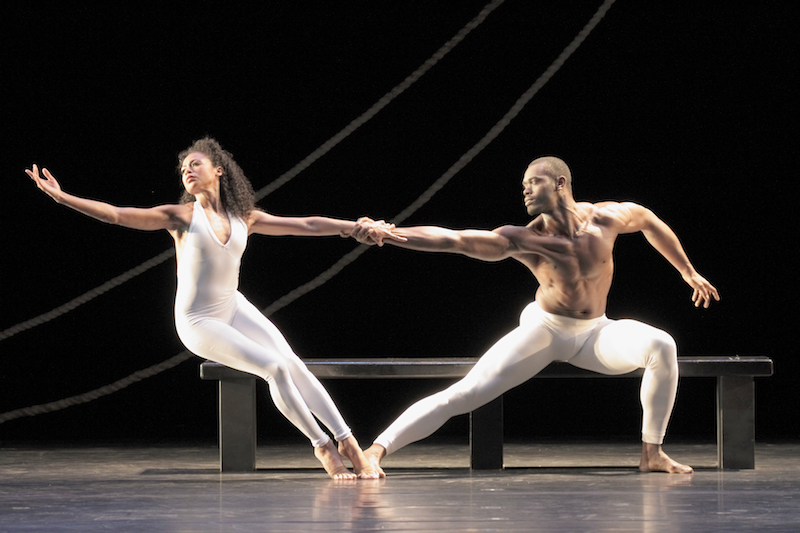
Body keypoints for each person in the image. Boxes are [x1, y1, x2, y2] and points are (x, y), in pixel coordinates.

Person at [25, 137, 403, 480]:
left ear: (218, 170)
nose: (187, 171)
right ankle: (323, 448)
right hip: (198, 321)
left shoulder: (245, 217)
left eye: (195, 164)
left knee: (292, 363)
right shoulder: (181, 217)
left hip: (233, 306)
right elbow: (116, 214)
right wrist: (63, 197)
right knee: (273, 368)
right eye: (183, 169)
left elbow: (306, 224)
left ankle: (348, 442)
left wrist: (355, 226)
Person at [351, 156, 719, 475]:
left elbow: (649, 220)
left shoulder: (606, 218)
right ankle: (376, 450)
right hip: (547, 330)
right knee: (465, 393)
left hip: (596, 332)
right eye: (523, 185)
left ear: (560, 183)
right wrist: (390, 234)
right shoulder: (525, 239)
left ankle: (651, 454)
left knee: (661, 344)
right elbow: (454, 240)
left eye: (533, 182)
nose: (525, 190)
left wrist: (688, 272)